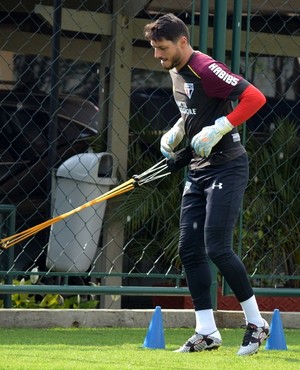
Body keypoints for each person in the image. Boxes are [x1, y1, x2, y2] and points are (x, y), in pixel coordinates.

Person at [144, 13, 269, 356]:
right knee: (189, 248)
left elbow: (255, 98)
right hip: (198, 169)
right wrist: (179, 130)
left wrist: (220, 128)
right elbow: (192, 110)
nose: (158, 55)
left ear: (183, 42)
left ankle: (257, 324)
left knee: (217, 247)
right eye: (155, 48)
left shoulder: (205, 67)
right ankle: (206, 332)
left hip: (227, 167)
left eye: (163, 48)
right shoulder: (175, 70)